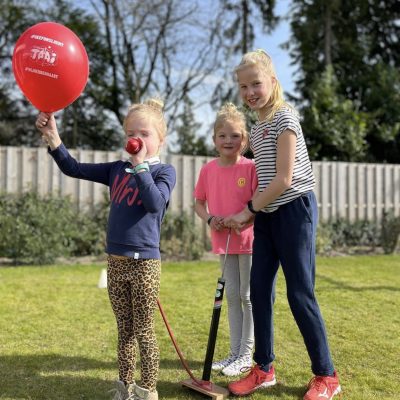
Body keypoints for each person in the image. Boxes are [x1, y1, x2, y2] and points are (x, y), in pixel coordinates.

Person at [35, 98, 176, 400]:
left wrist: (139, 166)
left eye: (144, 133)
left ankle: (148, 389)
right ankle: (124, 387)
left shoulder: (165, 172)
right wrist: (54, 138)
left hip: (145, 264)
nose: (135, 139)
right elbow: (72, 168)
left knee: (144, 330)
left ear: (160, 139)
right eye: (130, 133)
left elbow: (153, 203)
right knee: (124, 329)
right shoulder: (116, 169)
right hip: (116, 261)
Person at [224, 50, 341, 400]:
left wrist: (248, 210)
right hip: (269, 216)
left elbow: (285, 178)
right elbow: (263, 180)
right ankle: (263, 368)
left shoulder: (284, 118)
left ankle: (327, 376)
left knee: (299, 293)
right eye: (243, 86)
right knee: (258, 289)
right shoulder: (258, 129)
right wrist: (250, 212)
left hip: (295, 211)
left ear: (273, 82)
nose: (250, 92)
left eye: (256, 83)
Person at [193, 103, 258, 377]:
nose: (229, 141)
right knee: (231, 295)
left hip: (250, 241)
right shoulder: (208, 170)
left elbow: (259, 205)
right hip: (224, 241)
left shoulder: (251, 167)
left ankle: (246, 354)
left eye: (235, 136)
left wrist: (243, 219)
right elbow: (198, 203)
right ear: (215, 140)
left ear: (244, 140)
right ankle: (233, 352)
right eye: (223, 136)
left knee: (247, 296)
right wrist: (210, 219)